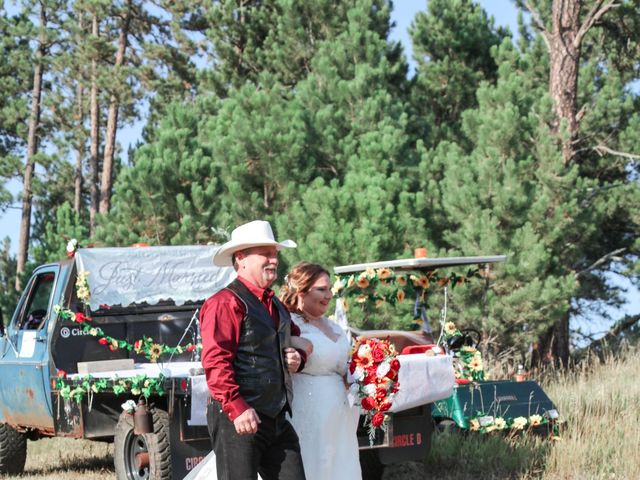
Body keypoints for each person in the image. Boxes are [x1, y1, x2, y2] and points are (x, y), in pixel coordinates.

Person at [198, 220, 307, 480]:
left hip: (277, 416)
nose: (274, 260)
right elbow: (215, 362)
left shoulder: (276, 304)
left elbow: (295, 339)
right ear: (241, 258)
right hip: (238, 415)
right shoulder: (224, 302)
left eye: (275, 254)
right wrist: (237, 407)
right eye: (266, 254)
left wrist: (298, 358)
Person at [280, 261, 362, 480]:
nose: (328, 295)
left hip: (339, 414)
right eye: (321, 289)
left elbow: (343, 367)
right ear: (301, 290)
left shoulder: (334, 326)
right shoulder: (288, 323)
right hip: (307, 411)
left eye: (329, 289)